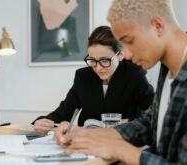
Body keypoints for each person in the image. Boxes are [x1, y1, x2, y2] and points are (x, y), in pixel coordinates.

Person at [54, 0, 187, 165]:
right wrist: (86, 134)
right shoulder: (167, 70)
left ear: (158, 26)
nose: (127, 55)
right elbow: (148, 124)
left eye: (129, 40)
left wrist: (118, 149)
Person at [32, 26, 154, 134]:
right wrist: (41, 122)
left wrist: (120, 122)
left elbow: (153, 113)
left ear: (120, 55)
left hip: (121, 141)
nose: (98, 68)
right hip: (87, 143)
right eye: (93, 60)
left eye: (105, 60)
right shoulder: (83, 76)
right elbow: (64, 112)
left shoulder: (133, 73)